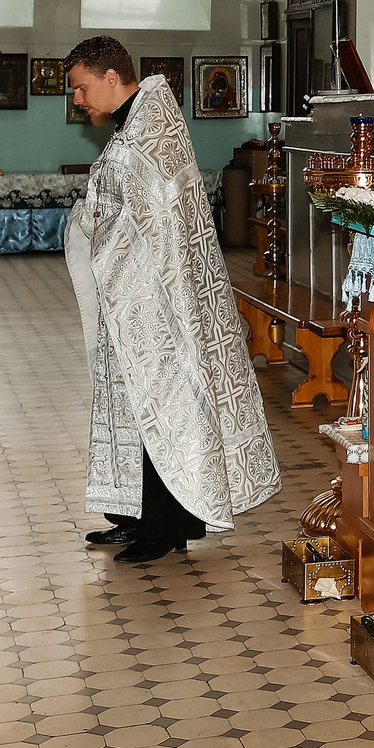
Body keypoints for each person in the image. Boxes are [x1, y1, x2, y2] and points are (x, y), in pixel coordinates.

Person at [64, 36, 281, 564]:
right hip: (134, 297)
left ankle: (163, 528)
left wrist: (94, 219)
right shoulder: (136, 124)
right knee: (131, 403)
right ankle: (133, 514)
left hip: (160, 303)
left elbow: (146, 218)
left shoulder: (151, 132)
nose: (76, 100)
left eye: (81, 88)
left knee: (162, 405)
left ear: (111, 79)